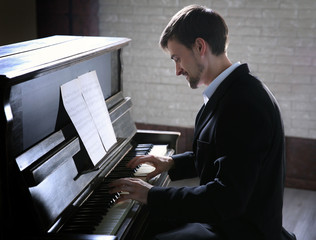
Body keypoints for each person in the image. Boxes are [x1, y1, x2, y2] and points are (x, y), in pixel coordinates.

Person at [109, 5, 296, 240]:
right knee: (146, 221)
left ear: (200, 47)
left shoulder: (244, 103)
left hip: (242, 231)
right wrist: (170, 163)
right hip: (228, 220)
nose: (177, 70)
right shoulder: (231, 91)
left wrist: (152, 195)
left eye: (177, 58)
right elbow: (224, 157)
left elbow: (226, 199)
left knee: (146, 228)